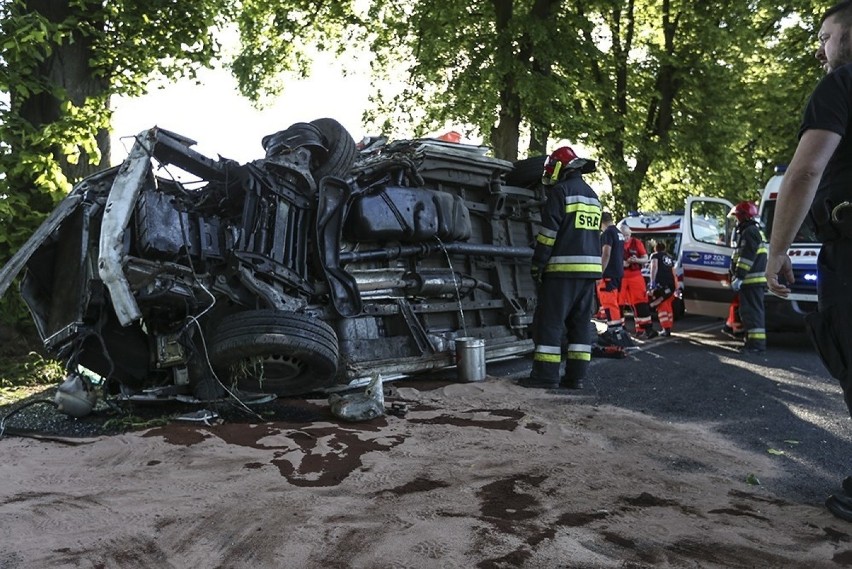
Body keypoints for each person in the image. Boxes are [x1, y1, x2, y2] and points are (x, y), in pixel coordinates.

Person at [764, 0, 852, 522]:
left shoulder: (842, 85)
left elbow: (804, 172)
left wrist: (778, 252)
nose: (820, 48)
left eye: (825, 36)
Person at [521, 147, 602, 390]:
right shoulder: (593, 196)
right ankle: (575, 377)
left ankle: (545, 376)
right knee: (580, 325)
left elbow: (548, 236)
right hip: (589, 273)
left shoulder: (561, 191)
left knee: (551, 323)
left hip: (562, 271)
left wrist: (538, 265)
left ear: (560, 167)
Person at [729, 201, 767, 354]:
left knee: (752, 313)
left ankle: (756, 345)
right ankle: (751, 343)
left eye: (737, 217)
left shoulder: (749, 231)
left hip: (751, 280)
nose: (736, 220)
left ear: (744, 216)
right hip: (751, 281)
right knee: (749, 313)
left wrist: (739, 277)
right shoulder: (752, 230)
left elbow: (746, 257)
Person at [596, 212, 633, 347]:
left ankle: (615, 334)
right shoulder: (619, 234)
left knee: (609, 304)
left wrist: (599, 273)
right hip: (618, 273)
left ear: (602, 222)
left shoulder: (607, 234)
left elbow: (606, 253)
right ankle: (617, 331)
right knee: (615, 304)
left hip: (609, 274)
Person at [618, 224, 658, 339]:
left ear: (630, 234)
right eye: (623, 235)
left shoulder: (637, 243)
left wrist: (637, 260)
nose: (626, 238)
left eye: (627, 235)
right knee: (619, 303)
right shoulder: (616, 243)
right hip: (621, 276)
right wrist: (623, 264)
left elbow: (645, 258)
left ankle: (645, 328)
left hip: (635, 276)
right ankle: (620, 329)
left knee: (641, 302)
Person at [648, 241, 678, 337]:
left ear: (655, 248)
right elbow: (674, 273)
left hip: (661, 284)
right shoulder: (669, 257)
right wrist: (676, 287)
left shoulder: (655, 256)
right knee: (668, 305)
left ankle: (666, 329)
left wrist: (652, 283)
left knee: (661, 307)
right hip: (671, 285)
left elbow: (654, 267)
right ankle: (668, 328)